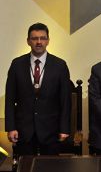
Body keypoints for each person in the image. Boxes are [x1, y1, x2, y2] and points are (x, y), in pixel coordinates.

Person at [5, 23, 72, 155]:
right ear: (28, 41)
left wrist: (64, 128)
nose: (39, 42)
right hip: (23, 131)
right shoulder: (17, 64)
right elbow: (9, 99)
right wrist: (10, 127)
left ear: (48, 40)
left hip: (51, 130)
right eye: (34, 38)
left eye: (42, 38)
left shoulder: (60, 65)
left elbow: (65, 100)